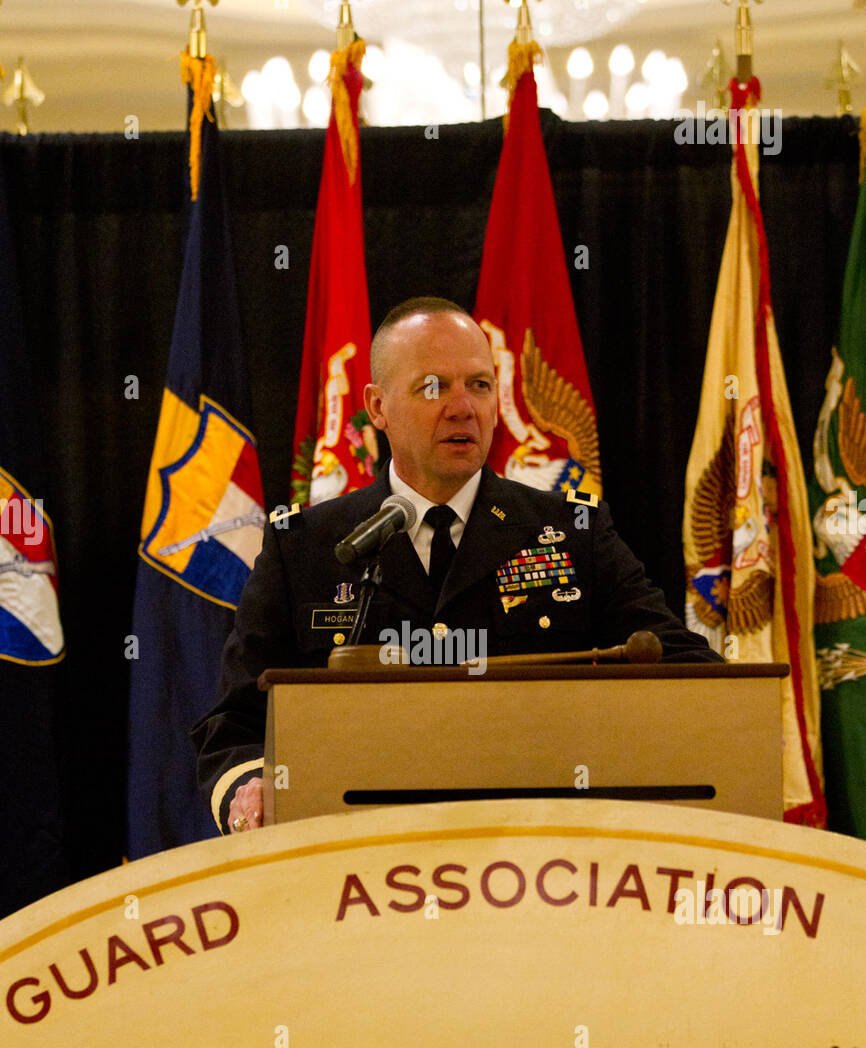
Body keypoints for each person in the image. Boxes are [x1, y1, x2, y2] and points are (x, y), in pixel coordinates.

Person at [191, 297, 722, 835]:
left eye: (480, 385)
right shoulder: (304, 547)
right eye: (433, 387)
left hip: (537, 864)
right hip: (355, 868)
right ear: (377, 408)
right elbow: (234, 723)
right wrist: (249, 788)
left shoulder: (572, 533)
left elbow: (679, 669)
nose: (462, 407)